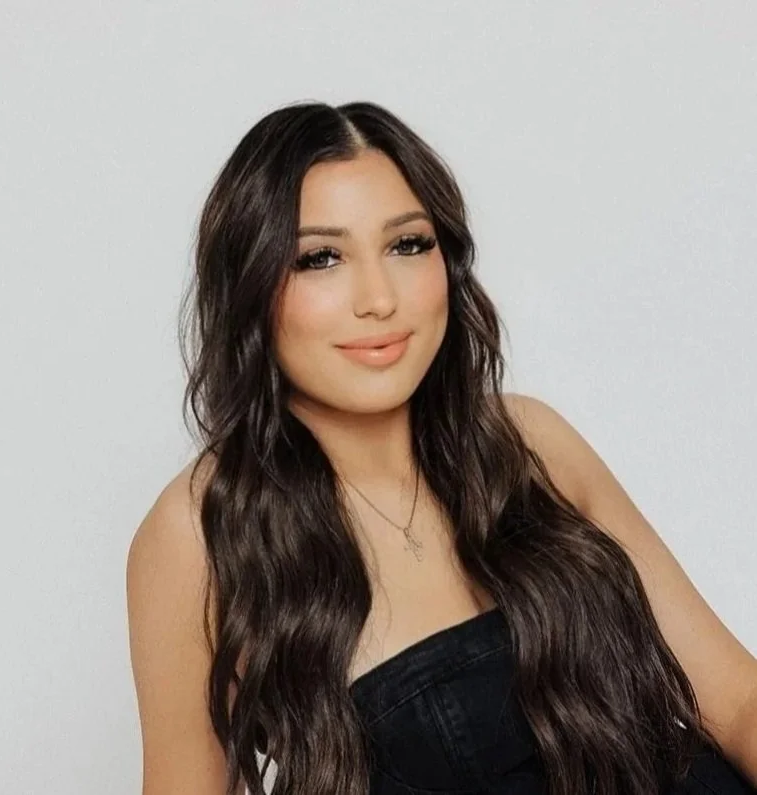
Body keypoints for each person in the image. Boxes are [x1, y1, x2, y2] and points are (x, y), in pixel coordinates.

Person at [126, 100, 757, 795]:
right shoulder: (200, 531)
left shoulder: (530, 444)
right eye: (319, 258)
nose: (378, 298)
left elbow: (736, 701)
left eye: (407, 245)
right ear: (248, 283)